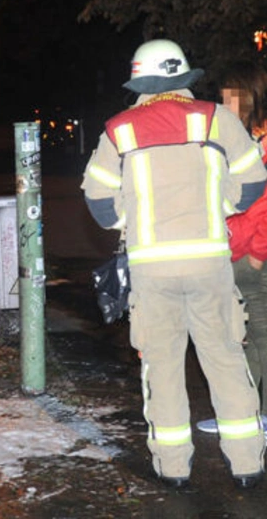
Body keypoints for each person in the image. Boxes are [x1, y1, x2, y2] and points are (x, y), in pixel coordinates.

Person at [81, 39, 267, 490]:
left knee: (162, 369)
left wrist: (132, 220)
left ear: (139, 82)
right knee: (225, 360)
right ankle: (247, 465)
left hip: (152, 271)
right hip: (210, 265)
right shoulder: (217, 119)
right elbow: (253, 181)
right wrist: (219, 207)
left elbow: (98, 200)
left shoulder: (118, 130)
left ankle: (173, 467)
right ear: (184, 77)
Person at [197, 61, 267, 433]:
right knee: (240, 339)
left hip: (254, 258)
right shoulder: (239, 139)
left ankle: (250, 416)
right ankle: (245, 415)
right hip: (234, 253)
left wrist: (257, 254)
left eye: (231, 97)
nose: (225, 104)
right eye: (223, 97)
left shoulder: (261, 142)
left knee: (258, 337)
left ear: (251, 96)